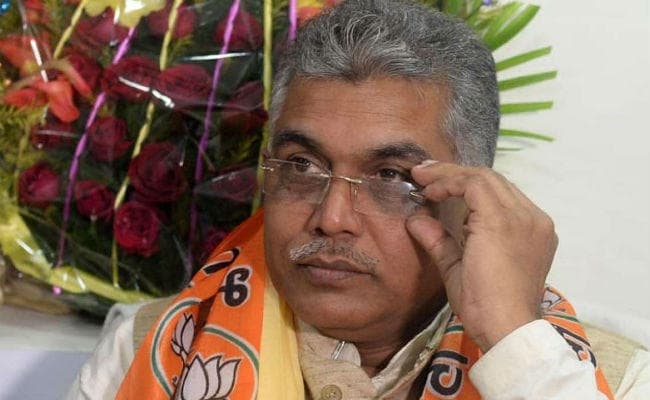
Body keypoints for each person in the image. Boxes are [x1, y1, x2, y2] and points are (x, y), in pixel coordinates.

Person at [66, 0, 650, 399]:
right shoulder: (151, 351)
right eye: (302, 165)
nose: (332, 217)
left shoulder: (611, 378)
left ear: (471, 198)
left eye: (391, 175)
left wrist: (511, 339)